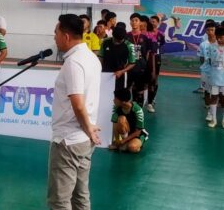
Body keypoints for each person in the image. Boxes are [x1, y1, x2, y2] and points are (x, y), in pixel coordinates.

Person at [47, 14, 101, 210]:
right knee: (80, 195)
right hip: (84, 140)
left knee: (59, 200)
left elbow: (78, 104)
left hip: (68, 141)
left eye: (56, 32)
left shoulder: (74, 63)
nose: (54, 37)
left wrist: (88, 130)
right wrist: (90, 132)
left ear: (66, 36)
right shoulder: (92, 58)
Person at [109, 88, 148, 153]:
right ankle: (124, 144)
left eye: (116, 98)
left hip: (137, 134)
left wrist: (122, 142)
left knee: (132, 147)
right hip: (126, 134)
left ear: (123, 102)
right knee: (122, 119)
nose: (113, 100)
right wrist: (117, 141)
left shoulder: (138, 110)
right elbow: (115, 125)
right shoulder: (116, 108)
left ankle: (132, 144)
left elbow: (138, 131)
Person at [197, 21, 217, 122]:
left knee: (214, 92)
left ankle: (212, 112)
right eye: (208, 30)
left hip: (217, 72)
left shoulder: (219, 43)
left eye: (212, 30)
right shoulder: (203, 44)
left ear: (215, 30)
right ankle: (209, 109)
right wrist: (203, 66)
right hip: (205, 71)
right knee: (206, 91)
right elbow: (201, 57)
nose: (210, 32)